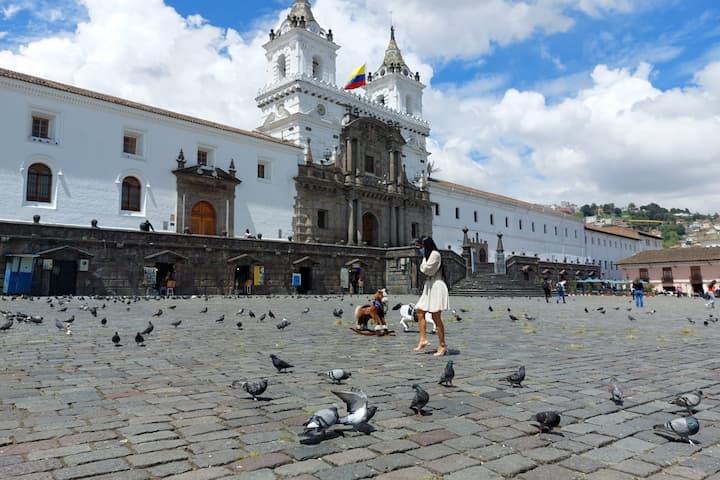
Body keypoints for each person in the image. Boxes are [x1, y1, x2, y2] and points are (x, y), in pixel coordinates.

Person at [413, 236, 449, 356]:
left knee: (435, 316)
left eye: (421, 246)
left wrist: (423, 264)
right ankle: (423, 339)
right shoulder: (427, 256)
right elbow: (424, 268)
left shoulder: (435, 254)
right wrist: (424, 262)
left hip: (436, 286)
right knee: (419, 311)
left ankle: (442, 345)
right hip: (429, 286)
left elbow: (427, 270)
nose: (420, 249)